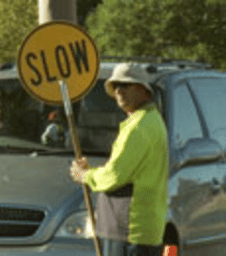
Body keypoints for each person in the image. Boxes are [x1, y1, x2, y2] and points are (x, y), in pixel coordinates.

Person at [70, 62, 168, 256]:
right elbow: (126, 170)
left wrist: (86, 175)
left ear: (143, 89)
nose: (119, 91)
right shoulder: (152, 120)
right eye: (115, 86)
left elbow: (115, 175)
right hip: (143, 230)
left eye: (125, 84)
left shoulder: (138, 127)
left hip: (129, 230)